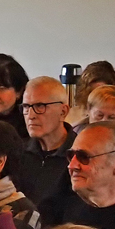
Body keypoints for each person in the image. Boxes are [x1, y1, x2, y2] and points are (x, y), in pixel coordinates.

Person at [18, 75, 75, 210]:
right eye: (26, 106)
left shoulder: (81, 156)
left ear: (63, 111)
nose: (31, 115)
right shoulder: (18, 152)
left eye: (40, 106)